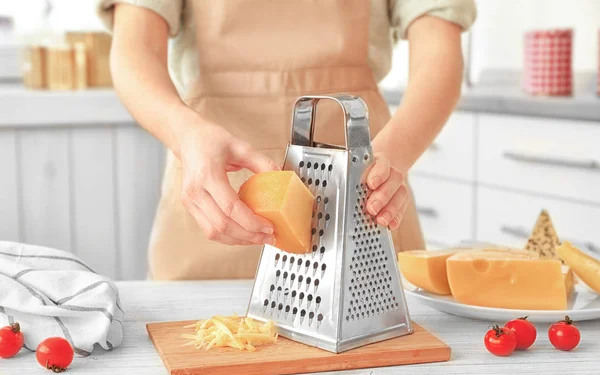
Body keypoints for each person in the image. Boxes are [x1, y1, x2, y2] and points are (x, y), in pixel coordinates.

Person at [96, 0, 477, 280]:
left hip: (363, 178)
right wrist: (185, 133)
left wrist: (395, 153)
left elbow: (438, 53)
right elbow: (135, 49)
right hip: (216, 183)